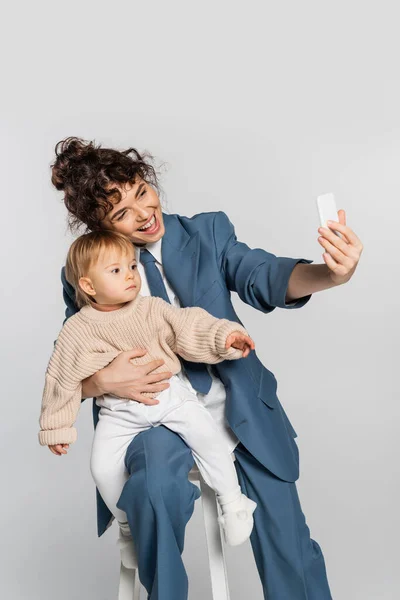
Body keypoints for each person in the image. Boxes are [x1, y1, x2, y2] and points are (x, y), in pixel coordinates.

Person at [52, 137, 363, 600]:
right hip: (153, 418)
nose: (143, 213)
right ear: (100, 227)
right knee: (154, 491)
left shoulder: (208, 232)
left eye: (141, 190)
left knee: (289, 546)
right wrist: (101, 382)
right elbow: (70, 359)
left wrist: (330, 274)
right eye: (121, 214)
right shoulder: (92, 273)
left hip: (240, 409)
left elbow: (264, 274)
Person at [38, 229, 258, 563]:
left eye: (131, 266)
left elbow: (189, 325)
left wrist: (224, 336)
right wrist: (57, 426)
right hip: (118, 411)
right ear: (88, 286)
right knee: (102, 468)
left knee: (207, 438)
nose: (129, 275)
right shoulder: (78, 330)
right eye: (116, 271)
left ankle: (233, 503)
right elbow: (62, 376)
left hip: (168, 395)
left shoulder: (151, 309)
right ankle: (127, 527)